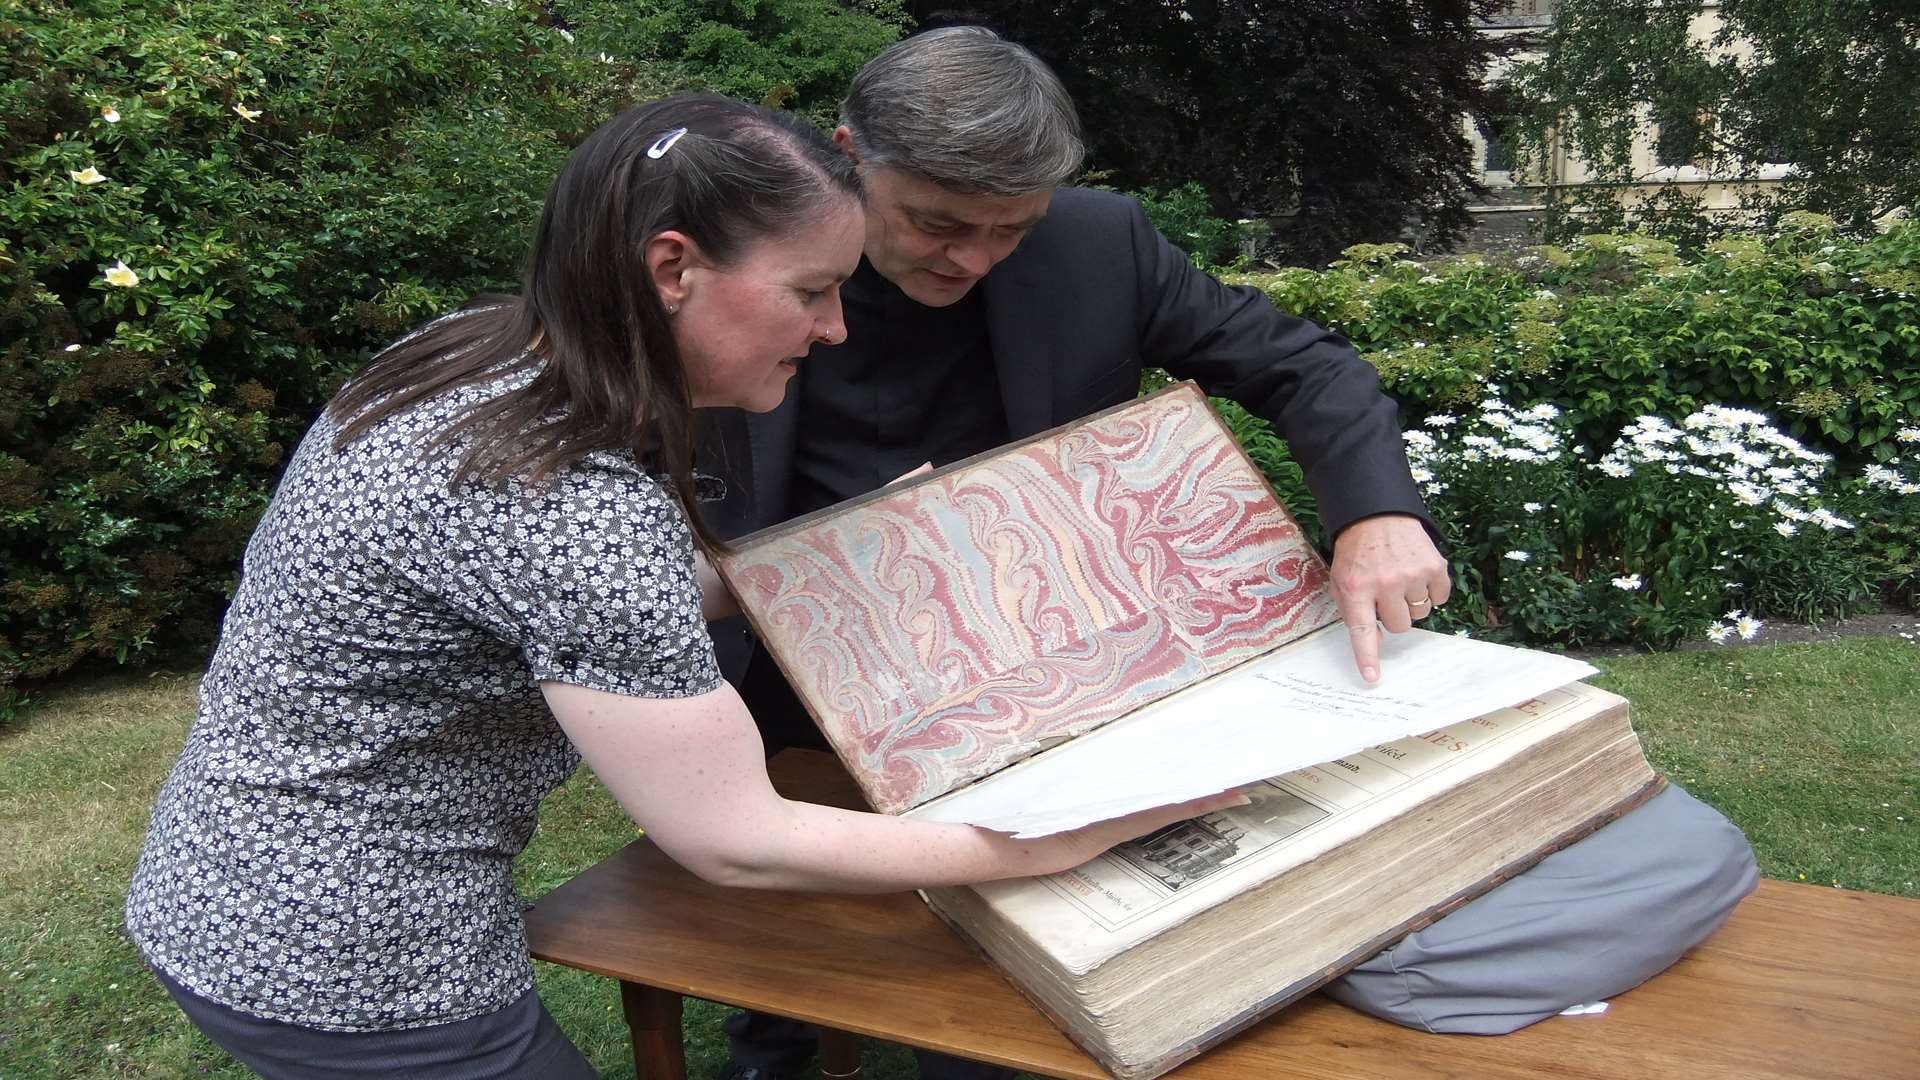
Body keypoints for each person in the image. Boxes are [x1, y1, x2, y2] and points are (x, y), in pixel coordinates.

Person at [122, 93, 1246, 1080]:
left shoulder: (474, 359)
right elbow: (735, 840)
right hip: (349, 958)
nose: (835, 325)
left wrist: (836, 547)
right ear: (675, 268)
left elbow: (593, 593)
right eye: (812, 290)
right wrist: (1055, 837)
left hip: (225, 872)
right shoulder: (563, 502)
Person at [705, 28, 1758, 1080]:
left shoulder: (1098, 242)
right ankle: (773, 1041)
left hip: (1067, 654)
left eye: (1008, 231)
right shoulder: (738, 269)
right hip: (808, 676)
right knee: (797, 944)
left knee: (1026, 963)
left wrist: (1375, 516)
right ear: (850, 157)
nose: (972, 259)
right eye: (936, 223)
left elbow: (1308, 370)